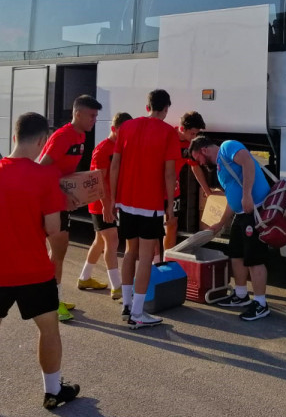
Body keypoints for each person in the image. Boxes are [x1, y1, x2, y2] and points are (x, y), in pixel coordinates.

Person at [0, 113, 80, 417]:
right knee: (49, 328)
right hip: (33, 271)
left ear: (15, 137)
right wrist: (61, 205)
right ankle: (53, 391)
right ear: (41, 141)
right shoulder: (44, 177)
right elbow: (53, 229)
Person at [105, 89, 180, 329]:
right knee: (146, 257)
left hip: (126, 201)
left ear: (147, 107)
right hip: (150, 204)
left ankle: (127, 305)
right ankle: (138, 313)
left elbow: (115, 165)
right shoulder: (169, 133)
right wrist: (170, 205)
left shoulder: (126, 127)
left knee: (130, 251)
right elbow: (169, 173)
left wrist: (113, 199)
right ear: (166, 109)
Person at [188, 136, 272, 321]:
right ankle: (241, 295)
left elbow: (248, 163)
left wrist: (247, 195)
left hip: (254, 210)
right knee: (236, 254)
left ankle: (261, 304)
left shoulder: (227, 147)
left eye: (198, 158)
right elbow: (232, 197)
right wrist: (220, 223)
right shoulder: (220, 165)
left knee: (254, 258)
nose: (200, 163)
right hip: (242, 213)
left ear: (203, 150)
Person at [38, 94, 102, 322]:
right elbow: (41, 169)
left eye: (96, 116)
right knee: (57, 252)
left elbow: (65, 172)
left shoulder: (81, 136)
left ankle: (53, 299)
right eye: (91, 115)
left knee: (59, 252)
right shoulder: (63, 137)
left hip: (58, 202)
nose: (94, 120)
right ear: (77, 114)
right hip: (49, 202)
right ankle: (51, 303)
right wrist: (61, 195)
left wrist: (74, 192)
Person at [77, 112, 132, 300]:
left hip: (108, 202)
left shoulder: (119, 147)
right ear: (113, 129)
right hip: (101, 202)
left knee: (100, 241)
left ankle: (84, 278)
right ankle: (116, 286)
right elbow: (98, 181)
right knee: (112, 241)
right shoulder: (102, 150)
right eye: (122, 131)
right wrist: (106, 207)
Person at [162, 111, 212, 256]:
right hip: (158, 188)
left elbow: (195, 167)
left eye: (197, 134)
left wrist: (207, 191)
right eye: (192, 134)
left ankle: (167, 258)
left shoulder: (190, 145)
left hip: (174, 190)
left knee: (172, 225)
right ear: (182, 128)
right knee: (154, 228)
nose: (194, 137)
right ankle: (155, 261)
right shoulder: (167, 136)